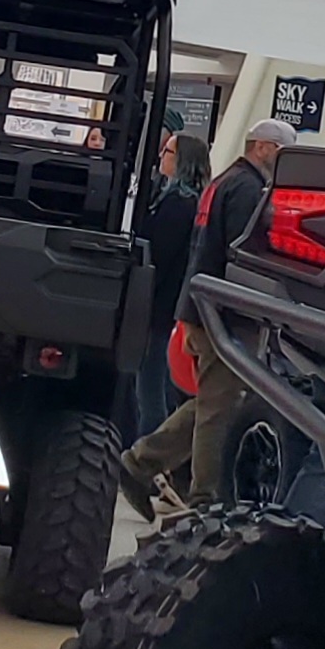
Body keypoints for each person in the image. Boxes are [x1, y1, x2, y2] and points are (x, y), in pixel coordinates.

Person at [121, 116, 291, 514]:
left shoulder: (226, 182)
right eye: (283, 152)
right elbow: (243, 257)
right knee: (218, 409)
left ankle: (140, 463)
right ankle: (204, 498)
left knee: (213, 401)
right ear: (263, 146)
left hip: (202, 308)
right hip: (224, 315)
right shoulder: (247, 190)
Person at [132, 130, 210, 438]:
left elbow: (159, 254)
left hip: (160, 308)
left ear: (182, 161)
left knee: (150, 392)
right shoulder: (188, 202)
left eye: (168, 152)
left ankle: (148, 454)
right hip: (170, 308)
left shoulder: (179, 204)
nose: (161, 156)